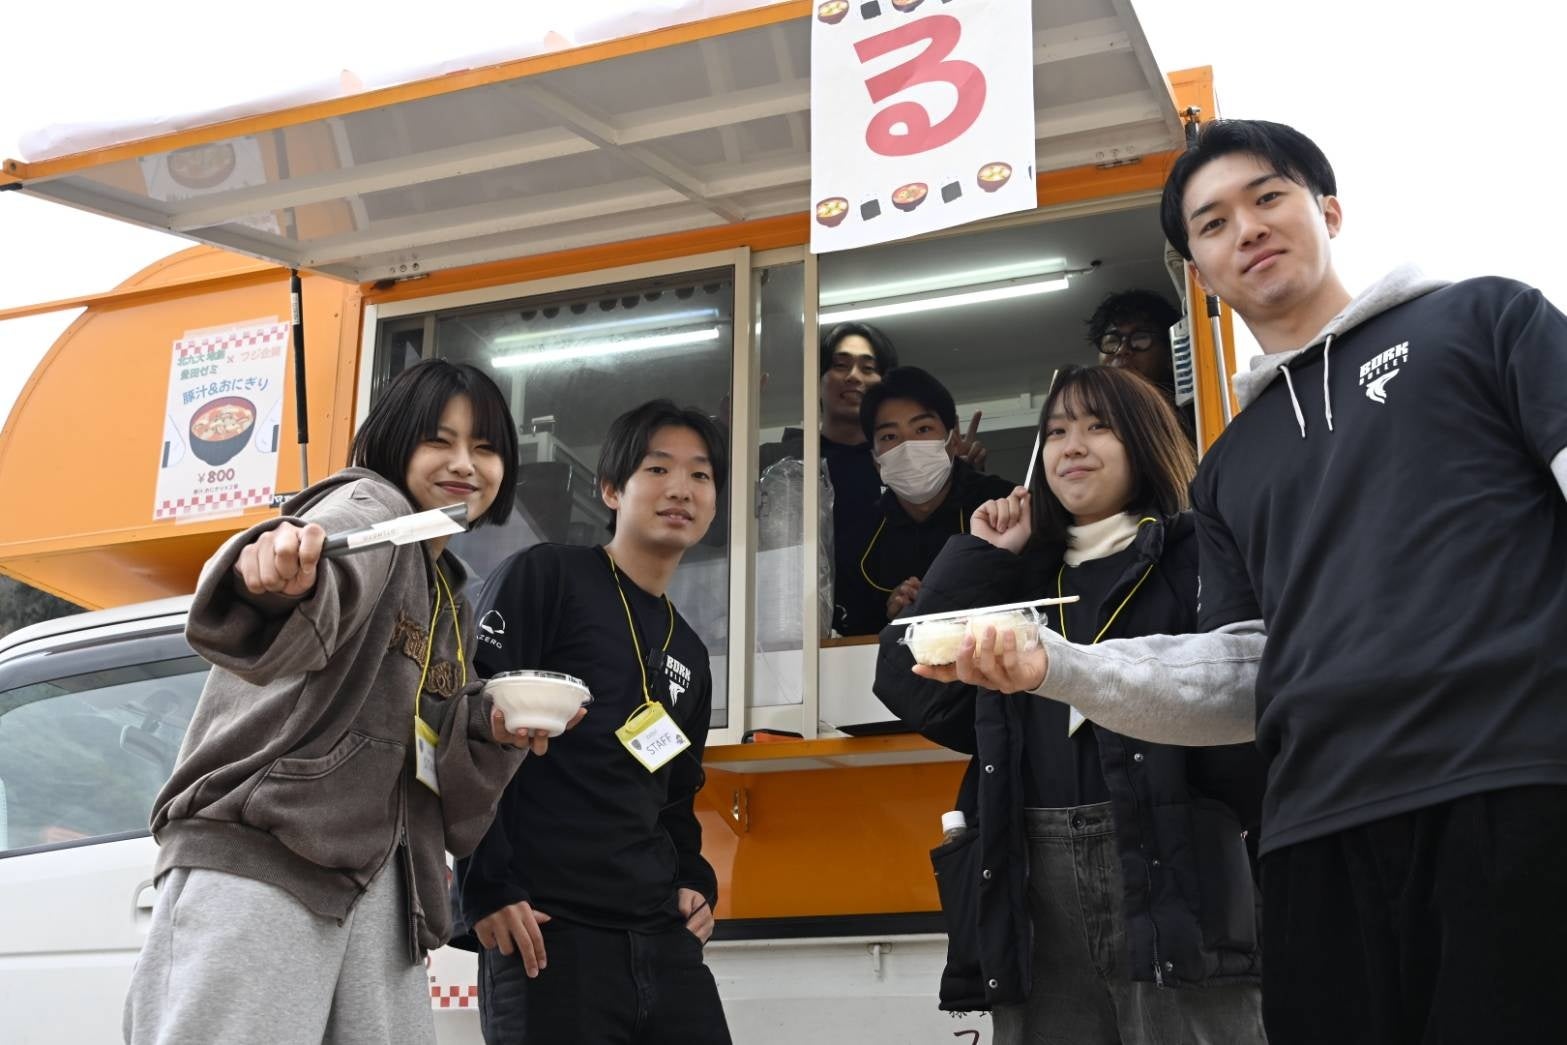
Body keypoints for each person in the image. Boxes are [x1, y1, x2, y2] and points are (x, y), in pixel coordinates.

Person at [921, 119, 1567, 1044]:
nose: (1247, 229)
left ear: (1327, 210)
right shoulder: (1228, 467)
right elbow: (1241, 674)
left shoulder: (1483, 320)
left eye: (1267, 198)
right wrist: (1054, 667)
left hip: (1513, 787)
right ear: (1198, 271)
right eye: (1213, 222)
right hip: (1311, 838)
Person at [125, 359, 574, 1045]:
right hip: (269, 862)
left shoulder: (446, 591)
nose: (464, 463)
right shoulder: (373, 508)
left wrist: (492, 722)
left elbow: (431, 754)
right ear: (393, 442)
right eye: (438, 439)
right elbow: (315, 561)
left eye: (484, 447)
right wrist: (276, 574)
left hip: (380, 885)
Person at [876, 365, 1266, 1043]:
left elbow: (1245, 693)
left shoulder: (1196, 552)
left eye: (1097, 426)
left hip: (1177, 866)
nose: (1072, 446)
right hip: (1031, 873)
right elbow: (909, 683)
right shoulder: (1019, 573)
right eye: (1056, 431)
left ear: (1143, 439)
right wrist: (981, 552)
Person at [454, 400, 731, 1045]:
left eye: (700, 475)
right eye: (657, 469)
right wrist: (484, 886)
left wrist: (694, 881)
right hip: (547, 930)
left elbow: (676, 794)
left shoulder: (689, 651)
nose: (681, 489)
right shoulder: (547, 576)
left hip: (662, 936)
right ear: (611, 490)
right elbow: (468, 729)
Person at [761, 322, 987, 633]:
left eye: (868, 368)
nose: (853, 376)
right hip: (802, 631)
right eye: (840, 365)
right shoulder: (783, 464)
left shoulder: (906, 467)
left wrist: (958, 476)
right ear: (818, 380)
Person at [835, 366, 1014, 636]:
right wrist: (894, 620)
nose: (907, 446)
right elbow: (849, 637)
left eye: (923, 429)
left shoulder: (1004, 506)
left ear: (952, 439)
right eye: (889, 436)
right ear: (875, 458)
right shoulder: (859, 539)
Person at [1088, 289, 1195, 437]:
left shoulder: (1192, 418)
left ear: (1170, 353)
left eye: (1140, 339)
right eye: (1111, 340)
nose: (1122, 350)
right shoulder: (1086, 412)